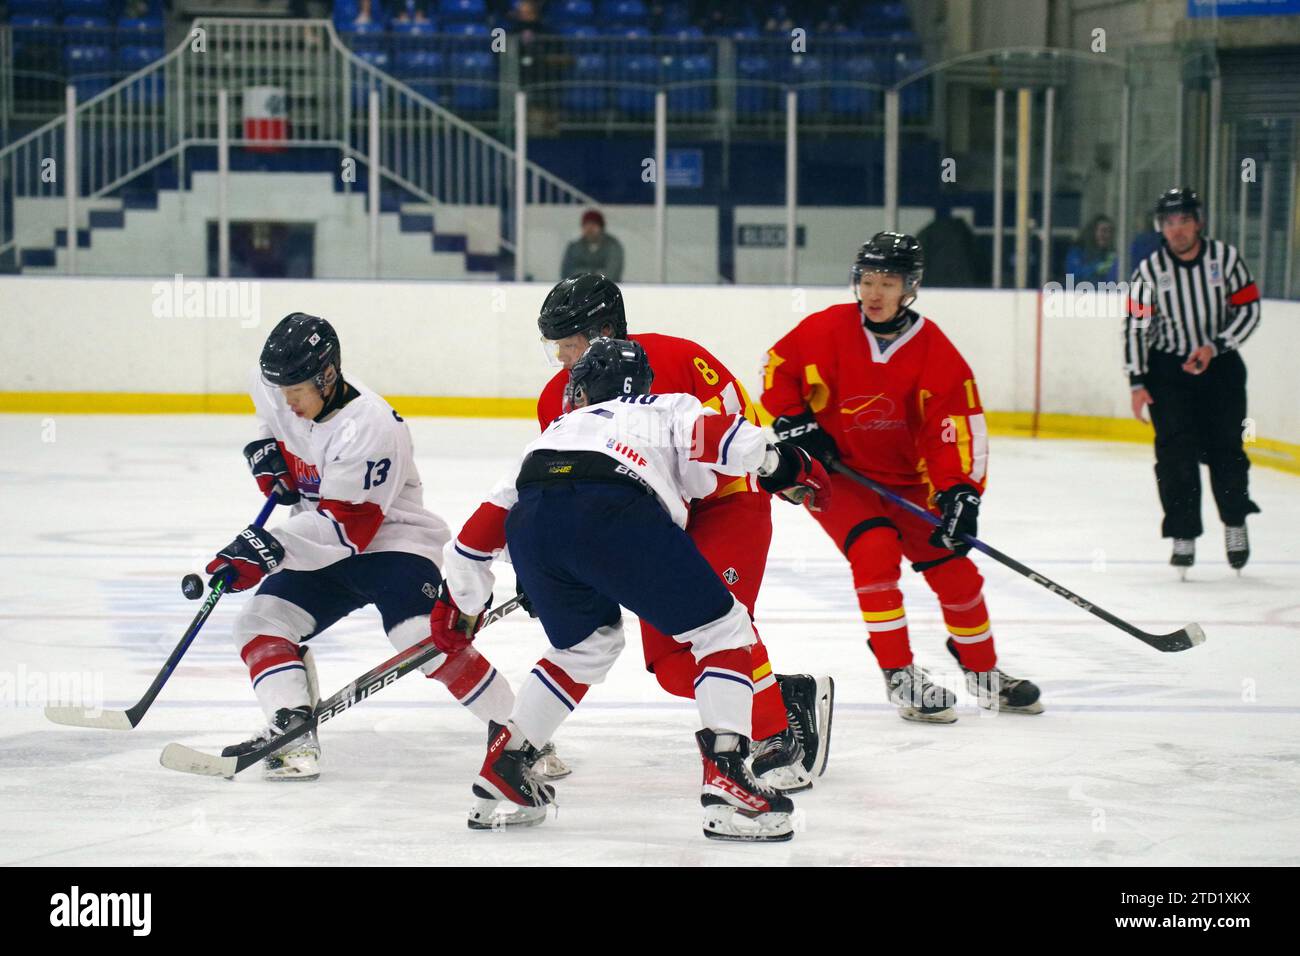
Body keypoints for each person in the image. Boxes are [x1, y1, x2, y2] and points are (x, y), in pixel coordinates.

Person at [430, 338, 832, 841]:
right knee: (725, 631)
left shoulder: (554, 431)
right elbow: (724, 440)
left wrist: (462, 601)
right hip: (616, 511)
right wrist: (789, 466)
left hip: (534, 525)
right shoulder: (665, 406)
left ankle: (505, 768)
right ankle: (728, 776)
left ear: (579, 390)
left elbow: (475, 538)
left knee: (585, 646)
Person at [534, 273, 834, 793]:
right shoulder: (554, 400)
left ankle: (773, 733)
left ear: (606, 331)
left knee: (719, 629)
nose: (562, 359)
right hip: (652, 529)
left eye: (570, 344)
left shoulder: (680, 358)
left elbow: (738, 429)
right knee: (675, 667)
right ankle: (786, 695)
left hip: (724, 507)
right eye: (554, 347)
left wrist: (778, 467)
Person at [206, 313, 533, 780]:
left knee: (422, 638)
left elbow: (346, 532)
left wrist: (267, 547)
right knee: (260, 623)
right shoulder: (277, 386)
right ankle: (291, 731)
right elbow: (271, 420)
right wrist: (265, 451)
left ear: (327, 374)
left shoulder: (372, 427)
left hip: (393, 544)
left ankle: (523, 735)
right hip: (317, 542)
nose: (288, 402)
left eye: (297, 391)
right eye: (281, 391)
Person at [760, 232, 1042, 723]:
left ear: (909, 287)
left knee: (956, 570)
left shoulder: (934, 350)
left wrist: (960, 493)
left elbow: (955, 427)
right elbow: (777, 368)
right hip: (842, 478)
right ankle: (899, 672)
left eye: (887, 283)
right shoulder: (827, 329)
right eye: (867, 281)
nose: (873, 293)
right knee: (875, 551)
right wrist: (796, 422)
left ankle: (982, 671)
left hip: (909, 483)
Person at [1125, 187, 1262, 575]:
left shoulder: (1226, 259)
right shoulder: (1148, 272)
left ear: (1198, 222)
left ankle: (1235, 521)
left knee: (1227, 451)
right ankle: (1183, 533)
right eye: (1170, 223)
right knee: (1174, 456)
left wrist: (1216, 347)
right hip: (1169, 375)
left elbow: (1249, 309)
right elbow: (1135, 327)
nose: (1178, 229)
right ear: (1161, 228)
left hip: (1220, 370)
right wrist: (1137, 381)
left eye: (1184, 220)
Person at [559, 211, 624, 281]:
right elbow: (566, 273)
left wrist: (583, 273)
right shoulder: (574, 247)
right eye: (586, 225)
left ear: (601, 227)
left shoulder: (613, 246)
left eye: (593, 225)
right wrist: (596, 273)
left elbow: (612, 274)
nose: (589, 229)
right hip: (578, 290)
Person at [1063, 214, 1118, 284]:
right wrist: (1095, 268)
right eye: (1103, 231)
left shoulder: (1110, 254)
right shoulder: (1078, 251)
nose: (1107, 235)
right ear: (1092, 232)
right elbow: (1072, 274)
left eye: (1110, 232)